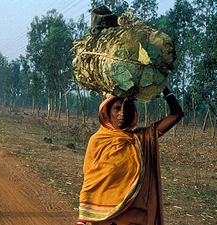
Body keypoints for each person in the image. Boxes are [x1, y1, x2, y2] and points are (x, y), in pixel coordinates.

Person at [77, 87, 184, 225]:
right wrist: (84, 219)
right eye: (117, 108)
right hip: (102, 218)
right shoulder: (97, 140)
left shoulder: (141, 139)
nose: (122, 113)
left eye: (127, 109)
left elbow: (177, 114)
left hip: (133, 216)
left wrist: (162, 87)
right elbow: (91, 180)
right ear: (107, 112)